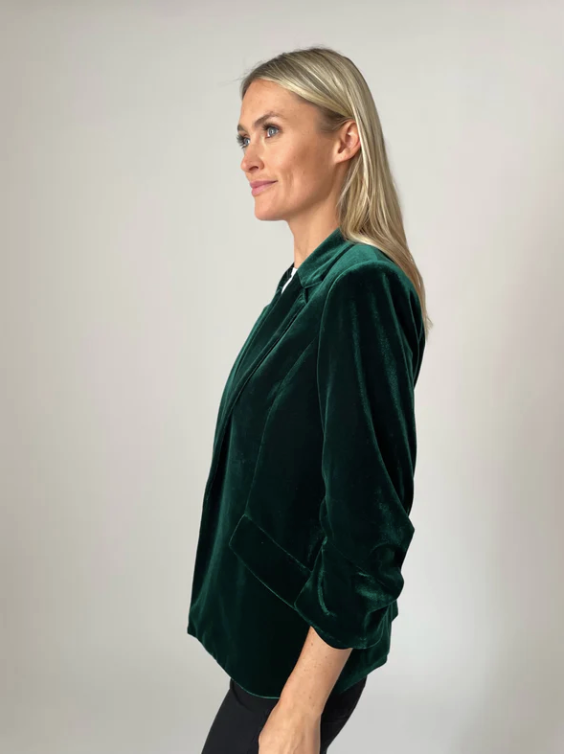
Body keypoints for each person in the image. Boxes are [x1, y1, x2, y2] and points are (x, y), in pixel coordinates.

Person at [187, 45, 432, 754]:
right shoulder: (305, 283)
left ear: (345, 139)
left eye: (271, 130)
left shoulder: (360, 285)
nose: (248, 158)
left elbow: (369, 524)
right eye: (243, 137)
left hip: (300, 657)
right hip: (267, 637)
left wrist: (301, 705)